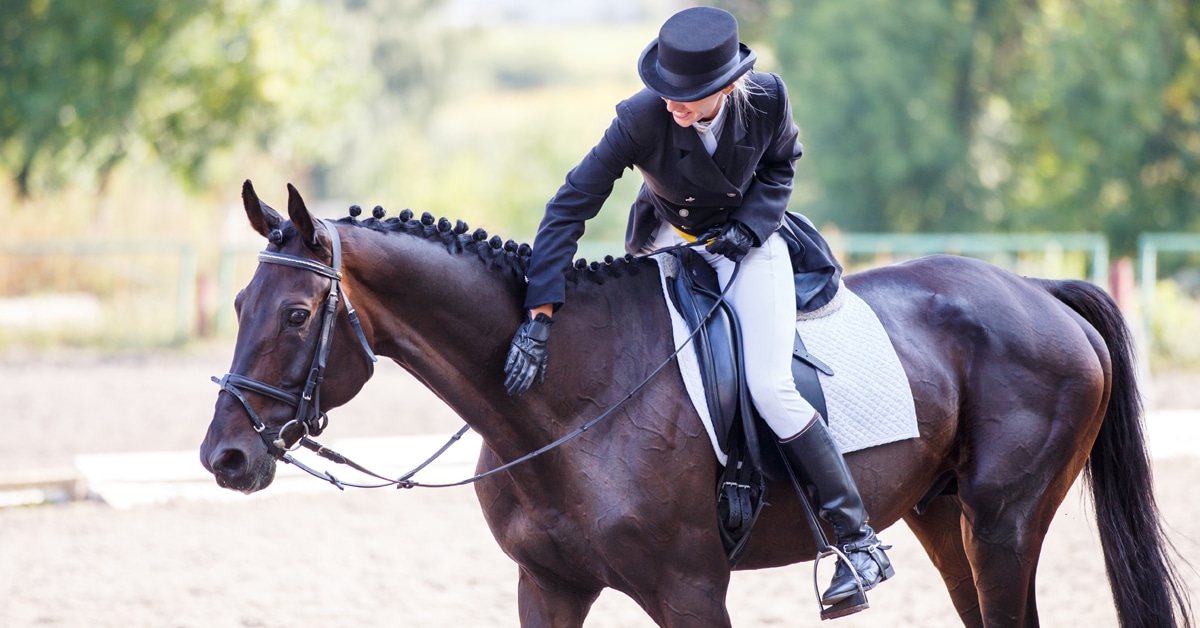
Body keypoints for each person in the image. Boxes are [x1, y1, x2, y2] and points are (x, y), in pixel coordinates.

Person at [502, 6, 893, 607]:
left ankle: (856, 538)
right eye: (665, 92)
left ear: (730, 86)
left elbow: (781, 164)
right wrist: (539, 313)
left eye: (688, 97)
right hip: (667, 240)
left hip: (750, 246)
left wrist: (750, 228)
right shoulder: (639, 118)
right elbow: (569, 206)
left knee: (769, 385)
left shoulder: (767, 99)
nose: (672, 105)